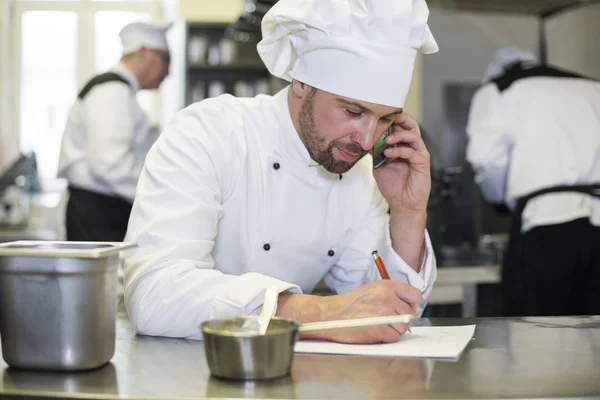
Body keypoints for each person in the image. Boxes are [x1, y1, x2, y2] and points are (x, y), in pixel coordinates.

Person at [123, 0, 440, 343]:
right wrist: (321, 313)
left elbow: (389, 311)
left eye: (386, 120)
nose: (366, 140)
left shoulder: (359, 178)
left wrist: (408, 211)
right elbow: (154, 295)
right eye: (352, 112)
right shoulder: (210, 133)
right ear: (301, 82)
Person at [466, 46, 600, 317]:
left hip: (546, 226)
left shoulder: (498, 90)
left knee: (538, 335)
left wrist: (498, 200)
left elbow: (485, 158)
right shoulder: (592, 87)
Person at [58, 22, 172, 241]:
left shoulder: (121, 92)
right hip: (99, 213)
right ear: (143, 52)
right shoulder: (112, 91)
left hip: (102, 208)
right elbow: (109, 164)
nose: (168, 71)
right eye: (165, 59)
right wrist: (158, 197)